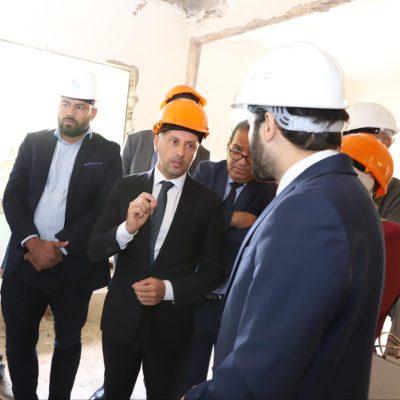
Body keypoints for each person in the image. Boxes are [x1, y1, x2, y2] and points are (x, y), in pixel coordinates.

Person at [184, 42, 385, 399]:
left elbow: (261, 372)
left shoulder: (310, 211)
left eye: (252, 122)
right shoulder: (347, 194)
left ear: (269, 124)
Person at [87, 97, 226, 400]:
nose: (181, 152)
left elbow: (216, 271)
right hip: (122, 320)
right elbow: (95, 249)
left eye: (190, 145)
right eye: (174, 141)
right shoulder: (125, 187)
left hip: (172, 328)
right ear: (156, 141)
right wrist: (127, 228)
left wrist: (168, 289)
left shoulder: (208, 203)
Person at [1, 70, 122, 400]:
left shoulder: (107, 151)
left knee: (67, 343)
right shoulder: (33, 142)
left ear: (93, 112)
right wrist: (32, 241)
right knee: (18, 344)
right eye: (66, 104)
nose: (71, 112)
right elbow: (12, 196)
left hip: (74, 265)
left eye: (80, 107)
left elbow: (104, 209)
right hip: (25, 261)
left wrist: (60, 249)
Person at [184, 120, 277, 387]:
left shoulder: (268, 190)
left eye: (251, 156)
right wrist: (233, 218)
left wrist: (209, 224)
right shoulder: (206, 172)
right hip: (196, 295)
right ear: (228, 146)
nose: (242, 162)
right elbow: (187, 220)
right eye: (237, 150)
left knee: (226, 378)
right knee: (189, 374)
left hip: (234, 302)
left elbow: (253, 242)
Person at [344, 102, 400, 353]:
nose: (385, 144)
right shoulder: (321, 178)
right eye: (381, 136)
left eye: (388, 139)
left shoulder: (394, 189)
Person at [122, 85, 210, 176]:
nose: (181, 152)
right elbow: (121, 181)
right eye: (174, 141)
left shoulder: (203, 155)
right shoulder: (135, 141)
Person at [344, 101, 400, 223]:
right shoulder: (327, 178)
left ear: (386, 142)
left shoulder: (395, 193)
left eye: (361, 137)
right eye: (346, 136)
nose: (351, 142)